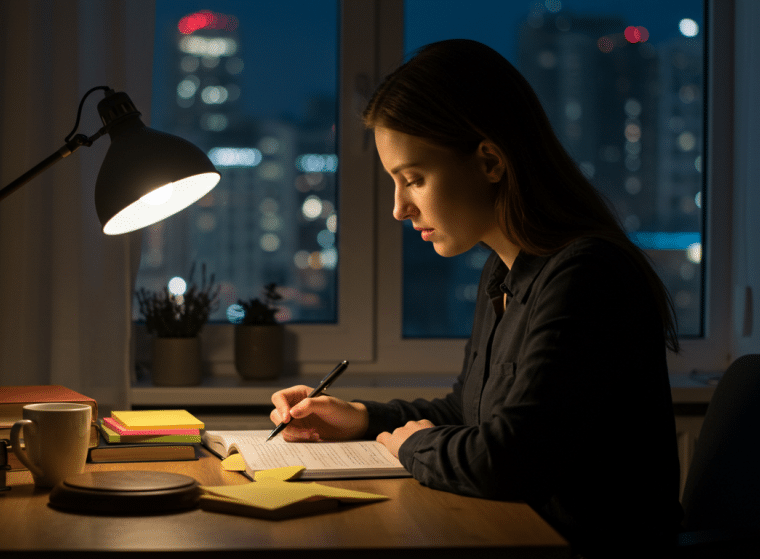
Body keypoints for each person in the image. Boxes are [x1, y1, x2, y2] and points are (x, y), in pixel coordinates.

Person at [270, 39, 682, 558]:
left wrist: (413, 446)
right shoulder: (504, 272)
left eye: (413, 179)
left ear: (489, 161)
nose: (399, 209)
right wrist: (359, 417)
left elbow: (510, 458)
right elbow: (468, 411)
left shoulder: (586, 277)